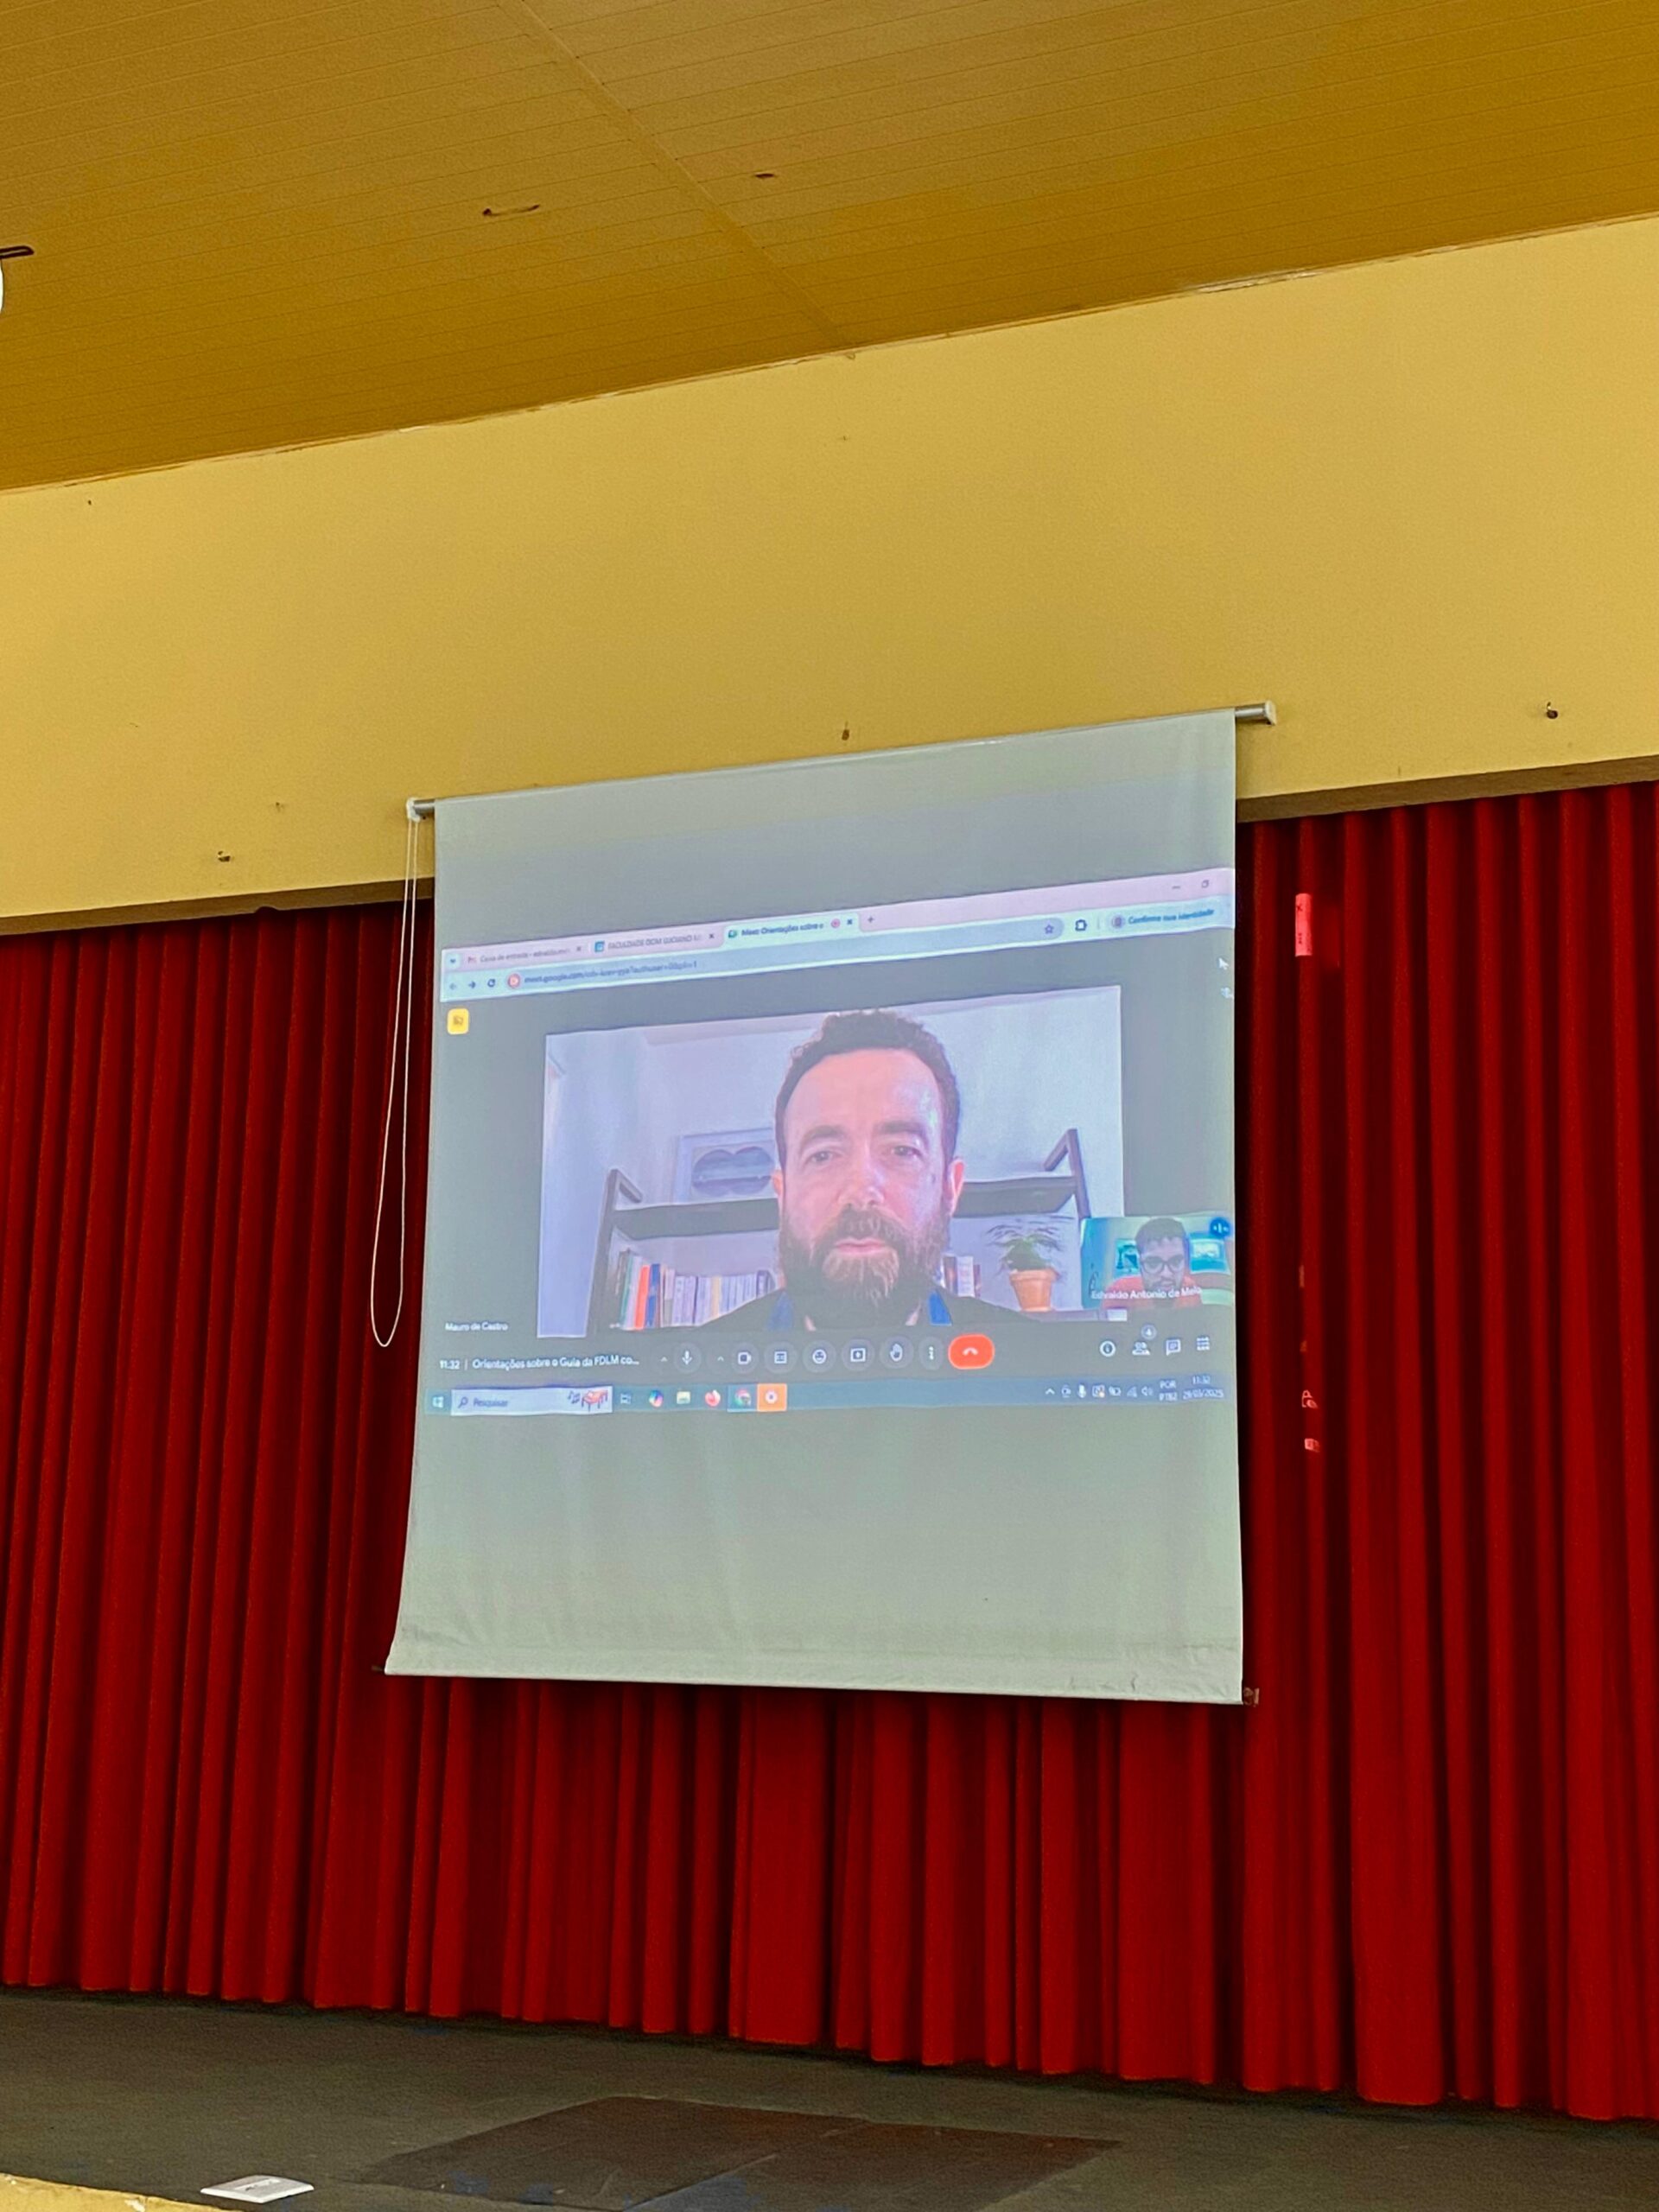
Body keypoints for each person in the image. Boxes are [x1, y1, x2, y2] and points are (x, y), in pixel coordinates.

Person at [708, 1008, 1018, 1332]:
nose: (860, 1192)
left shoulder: (1026, 1355)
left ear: (950, 1188)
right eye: (823, 1156)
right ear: (783, 1194)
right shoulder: (708, 1357)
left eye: (902, 1151)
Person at [1107, 1217, 1205, 1311]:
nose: (1166, 1274)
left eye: (1175, 1262)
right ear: (1140, 1265)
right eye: (1153, 1263)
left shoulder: (1190, 1289)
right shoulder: (1120, 1291)